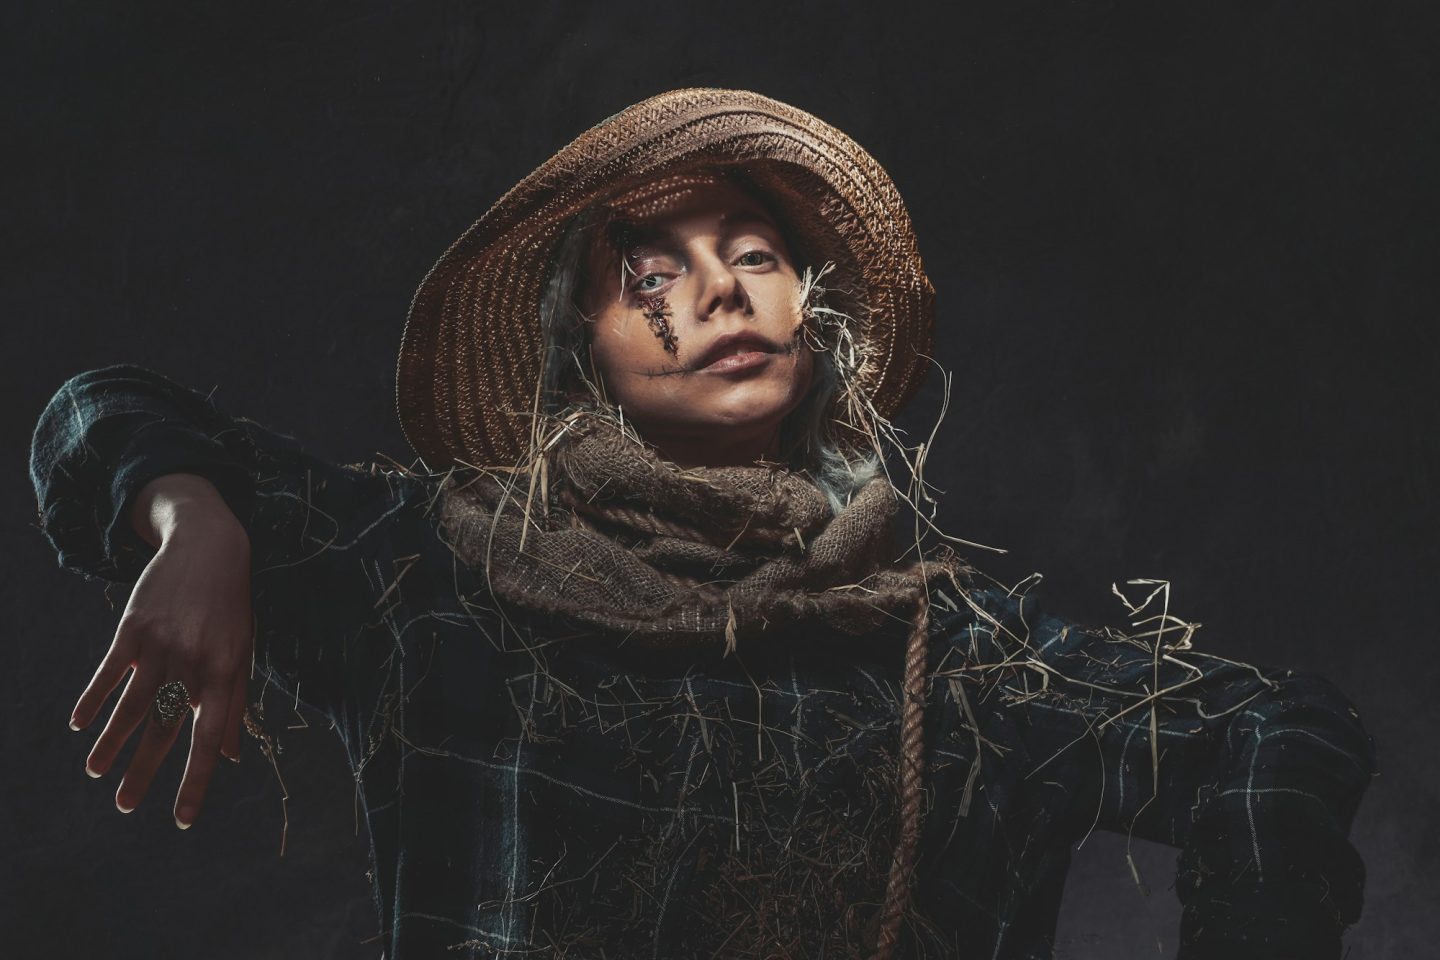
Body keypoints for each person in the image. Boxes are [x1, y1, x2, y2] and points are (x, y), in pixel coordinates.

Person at [29, 88, 1374, 959]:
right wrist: (190, 515)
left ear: (812, 315)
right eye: (651, 273)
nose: (717, 291)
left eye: (755, 253)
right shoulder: (434, 578)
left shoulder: (953, 656)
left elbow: (1263, 731)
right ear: (584, 352)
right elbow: (98, 409)